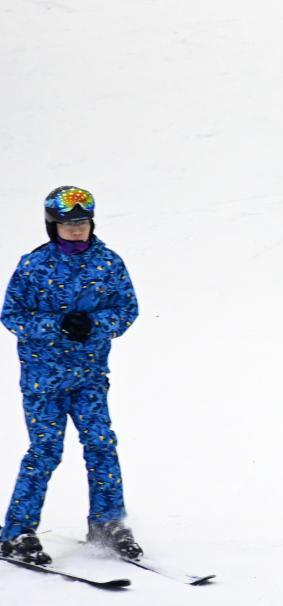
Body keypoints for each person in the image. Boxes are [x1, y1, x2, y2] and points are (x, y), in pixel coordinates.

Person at [0, 186, 142, 566]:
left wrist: (94, 324)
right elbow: (11, 315)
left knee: (101, 445)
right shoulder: (33, 266)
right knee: (45, 452)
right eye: (68, 224)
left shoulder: (108, 263)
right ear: (53, 226)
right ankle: (17, 532)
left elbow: (127, 309)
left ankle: (107, 523)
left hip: (89, 378)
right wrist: (56, 325)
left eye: (82, 222)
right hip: (43, 381)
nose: (76, 230)